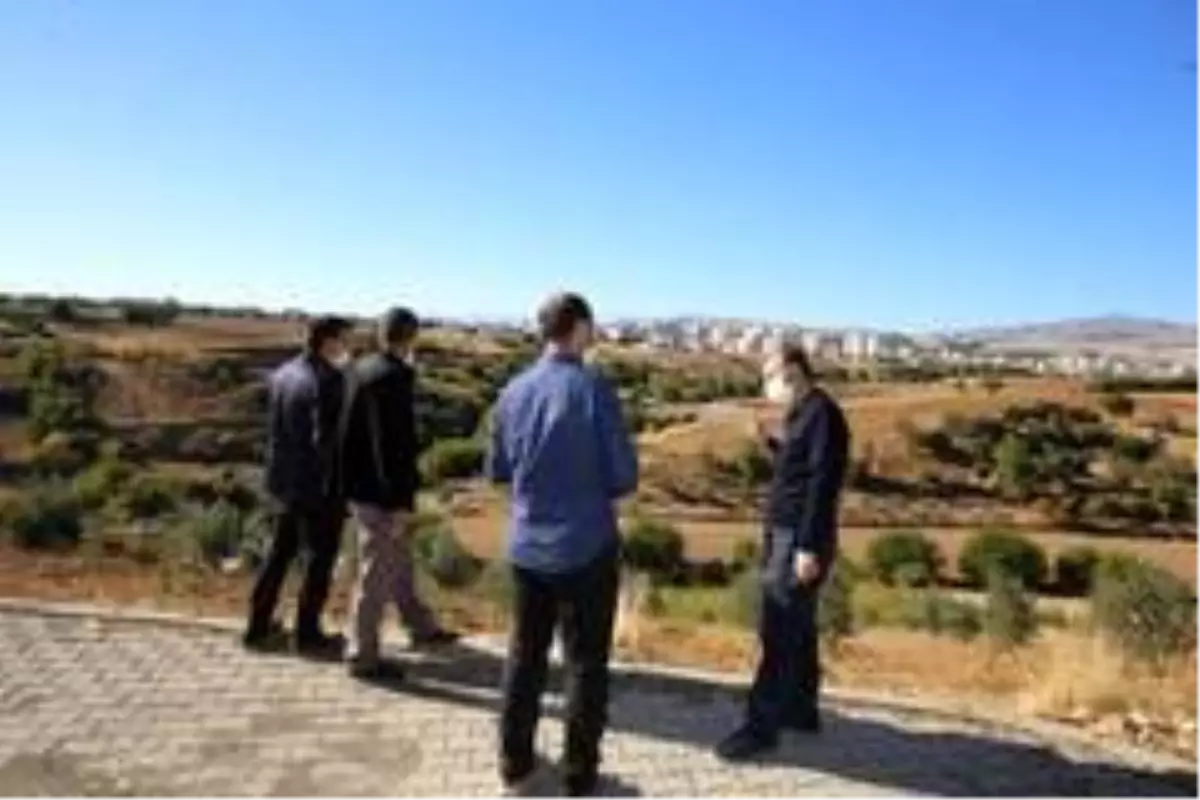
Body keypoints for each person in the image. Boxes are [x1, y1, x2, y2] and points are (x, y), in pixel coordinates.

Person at [488, 292, 638, 799]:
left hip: (528, 547)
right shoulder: (594, 388)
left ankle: (515, 766)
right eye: (591, 326)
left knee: (524, 657)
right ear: (579, 328)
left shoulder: (512, 390)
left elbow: (497, 471)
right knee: (586, 665)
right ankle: (579, 776)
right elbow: (623, 476)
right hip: (586, 547)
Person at [715, 343, 850, 762]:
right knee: (800, 627)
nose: (767, 386)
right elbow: (799, 467)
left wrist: (807, 546)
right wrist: (772, 444)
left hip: (797, 539)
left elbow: (823, 485)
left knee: (777, 628)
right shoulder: (803, 413)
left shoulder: (823, 415)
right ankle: (800, 710)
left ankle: (760, 729)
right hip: (787, 535)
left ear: (793, 372)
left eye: (770, 377)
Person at [336, 307, 459, 681]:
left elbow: (349, 431)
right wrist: (399, 503)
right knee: (376, 571)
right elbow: (395, 445)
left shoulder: (359, 369)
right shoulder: (396, 377)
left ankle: (420, 625)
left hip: (360, 486)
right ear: (411, 337)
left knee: (399, 558)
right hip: (383, 493)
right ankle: (362, 654)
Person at [244, 315, 352, 656]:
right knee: (319, 560)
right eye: (344, 339)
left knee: (278, 555)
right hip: (318, 488)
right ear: (329, 341)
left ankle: (257, 626)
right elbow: (327, 441)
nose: (347, 347)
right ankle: (307, 634)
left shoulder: (284, 373)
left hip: (283, 482)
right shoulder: (329, 380)